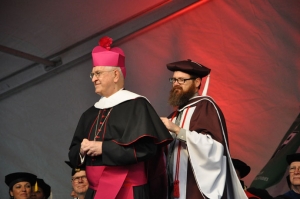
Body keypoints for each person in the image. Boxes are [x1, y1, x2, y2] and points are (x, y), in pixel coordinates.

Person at [68, 36, 173, 199]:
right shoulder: (89, 113)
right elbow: (73, 152)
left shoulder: (137, 105)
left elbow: (147, 149)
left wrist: (103, 148)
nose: (94, 79)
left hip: (128, 191)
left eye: (98, 73)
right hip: (95, 192)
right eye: (92, 74)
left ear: (116, 75)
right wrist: (82, 150)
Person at [160, 59, 247, 199]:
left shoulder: (205, 106)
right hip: (174, 188)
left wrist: (178, 131)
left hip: (195, 187)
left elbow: (215, 148)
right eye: (174, 80)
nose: (176, 84)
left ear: (197, 82)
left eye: (182, 80)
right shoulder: (174, 115)